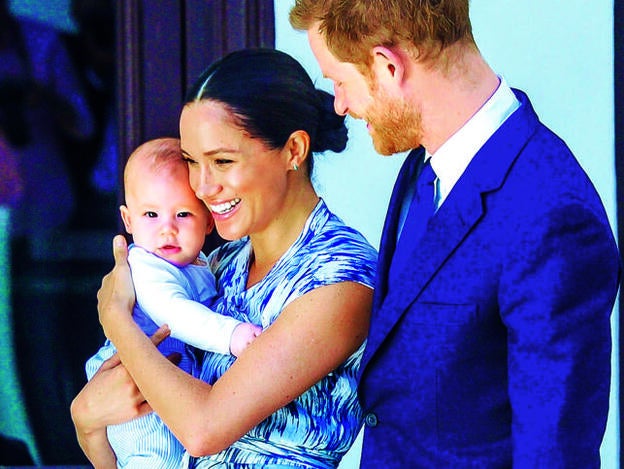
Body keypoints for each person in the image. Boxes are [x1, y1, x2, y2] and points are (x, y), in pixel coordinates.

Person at [289, 1, 621, 467]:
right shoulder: (424, 162)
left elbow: (554, 454)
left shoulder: (552, 215)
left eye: (340, 83)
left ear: (388, 66)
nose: (340, 105)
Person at [71, 48, 378, 468]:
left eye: (222, 161)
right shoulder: (219, 266)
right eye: (193, 163)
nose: (202, 186)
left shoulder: (341, 276)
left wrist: (116, 317)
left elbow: (202, 430)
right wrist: (86, 420)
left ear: (293, 150)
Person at [84, 136, 262, 468]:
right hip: (132, 389)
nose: (167, 230)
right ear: (128, 220)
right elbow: (176, 314)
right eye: (151, 214)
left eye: (182, 215)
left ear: (208, 220)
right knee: (155, 457)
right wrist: (232, 335)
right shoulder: (145, 267)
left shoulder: (203, 264)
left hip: (162, 381)